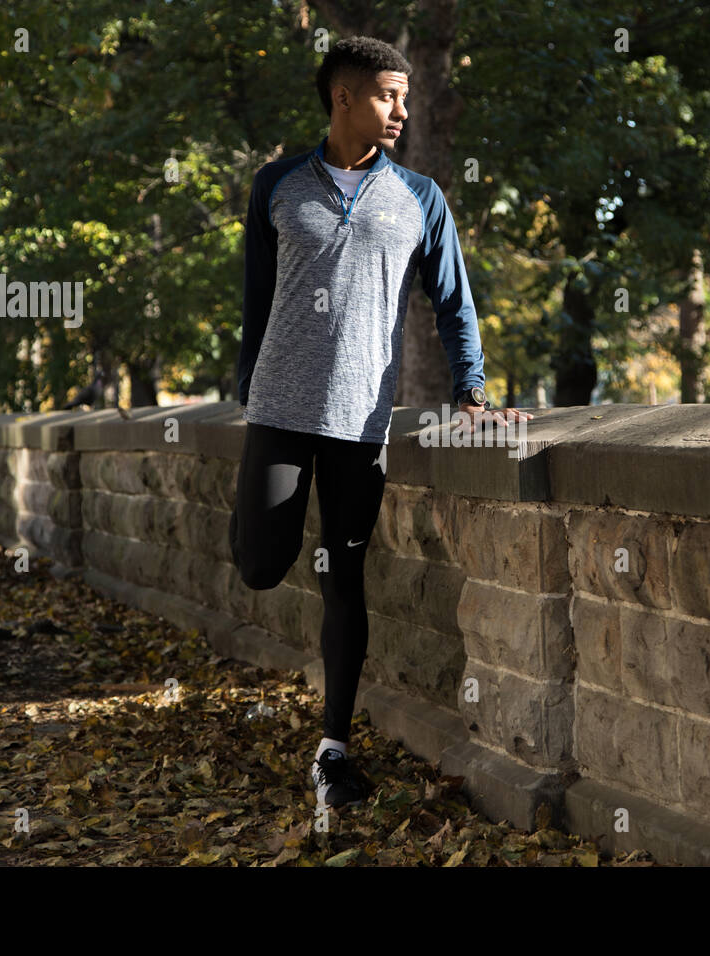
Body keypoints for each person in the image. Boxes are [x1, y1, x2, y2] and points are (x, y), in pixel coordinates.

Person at [228, 36, 533, 810]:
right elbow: (256, 301)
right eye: (388, 96)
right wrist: (246, 390)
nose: (401, 110)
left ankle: (334, 749)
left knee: (344, 579)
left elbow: (454, 302)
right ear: (343, 98)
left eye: (404, 97)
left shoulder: (420, 198)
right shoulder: (277, 186)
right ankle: (276, 540)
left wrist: (472, 393)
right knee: (261, 564)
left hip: (361, 421)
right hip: (281, 409)